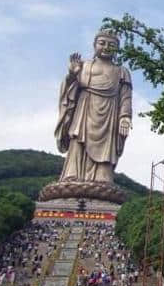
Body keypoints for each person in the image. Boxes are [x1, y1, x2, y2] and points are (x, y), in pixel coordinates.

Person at [55, 29, 132, 183]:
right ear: (94, 45)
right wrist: (72, 75)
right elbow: (70, 91)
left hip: (109, 112)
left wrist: (125, 117)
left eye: (111, 45)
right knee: (78, 141)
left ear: (116, 49)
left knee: (106, 148)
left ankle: (102, 178)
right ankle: (73, 175)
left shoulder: (121, 71)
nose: (105, 47)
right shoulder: (84, 65)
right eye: (102, 43)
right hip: (85, 108)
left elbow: (126, 97)